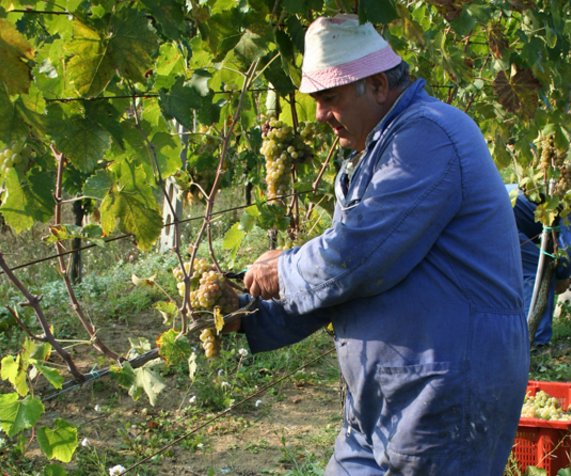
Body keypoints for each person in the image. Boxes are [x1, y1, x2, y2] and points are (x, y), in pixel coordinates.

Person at [226, 14, 530, 475]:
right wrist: (245, 318)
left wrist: (283, 270)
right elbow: (341, 282)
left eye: (330, 98)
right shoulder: (370, 156)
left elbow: (356, 256)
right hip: (382, 399)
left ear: (380, 85)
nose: (320, 115)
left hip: (444, 395)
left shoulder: (428, 136)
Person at [507, 185, 571, 346]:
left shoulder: (540, 191)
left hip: (482, 208)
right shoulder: (564, 213)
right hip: (500, 216)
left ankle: (509, 335)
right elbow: (564, 254)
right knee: (540, 271)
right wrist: (562, 277)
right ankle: (536, 342)